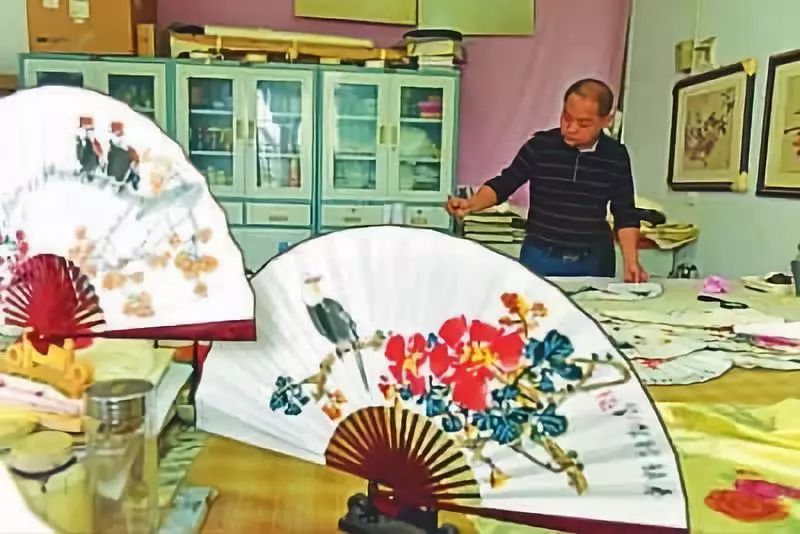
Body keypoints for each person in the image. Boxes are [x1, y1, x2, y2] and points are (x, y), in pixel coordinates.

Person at [446, 78, 648, 282]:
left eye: (583, 123)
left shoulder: (616, 156)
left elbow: (625, 213)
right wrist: (471, 204)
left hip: (594, 259)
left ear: (606, 121)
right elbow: (504, 184)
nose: (571, 128)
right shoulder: (540, 147)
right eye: (566, 117)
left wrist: (631, 262)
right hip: (540, 255)